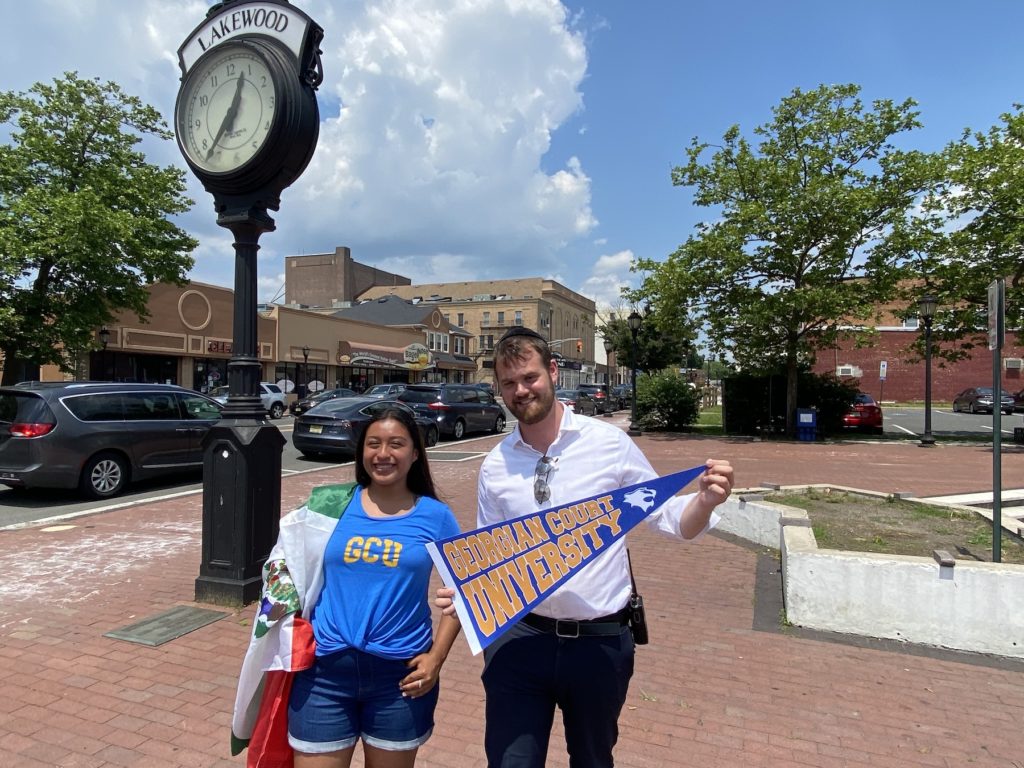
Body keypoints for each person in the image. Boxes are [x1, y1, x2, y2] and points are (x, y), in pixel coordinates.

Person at [437, 326, 734, 768]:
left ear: (553, 371)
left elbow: (673, 522)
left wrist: (707, 501)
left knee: (594, 760)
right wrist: (467, 589)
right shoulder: (496, 464)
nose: (521, 390)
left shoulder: (608, 443)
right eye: (509, 383)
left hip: (599, 644)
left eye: (530, 377)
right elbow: (494, 555)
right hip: (520, 643)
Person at [233, 403, 462, 768]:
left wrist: (437, 658)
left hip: (400, 678)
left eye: (396, 444)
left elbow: (465, 590)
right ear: (361, 451)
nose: (383, 454)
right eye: (373, 444)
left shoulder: (436, 516)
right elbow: (286, 560)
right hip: (324, 672)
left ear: (415, 453)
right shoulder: (330, 506)